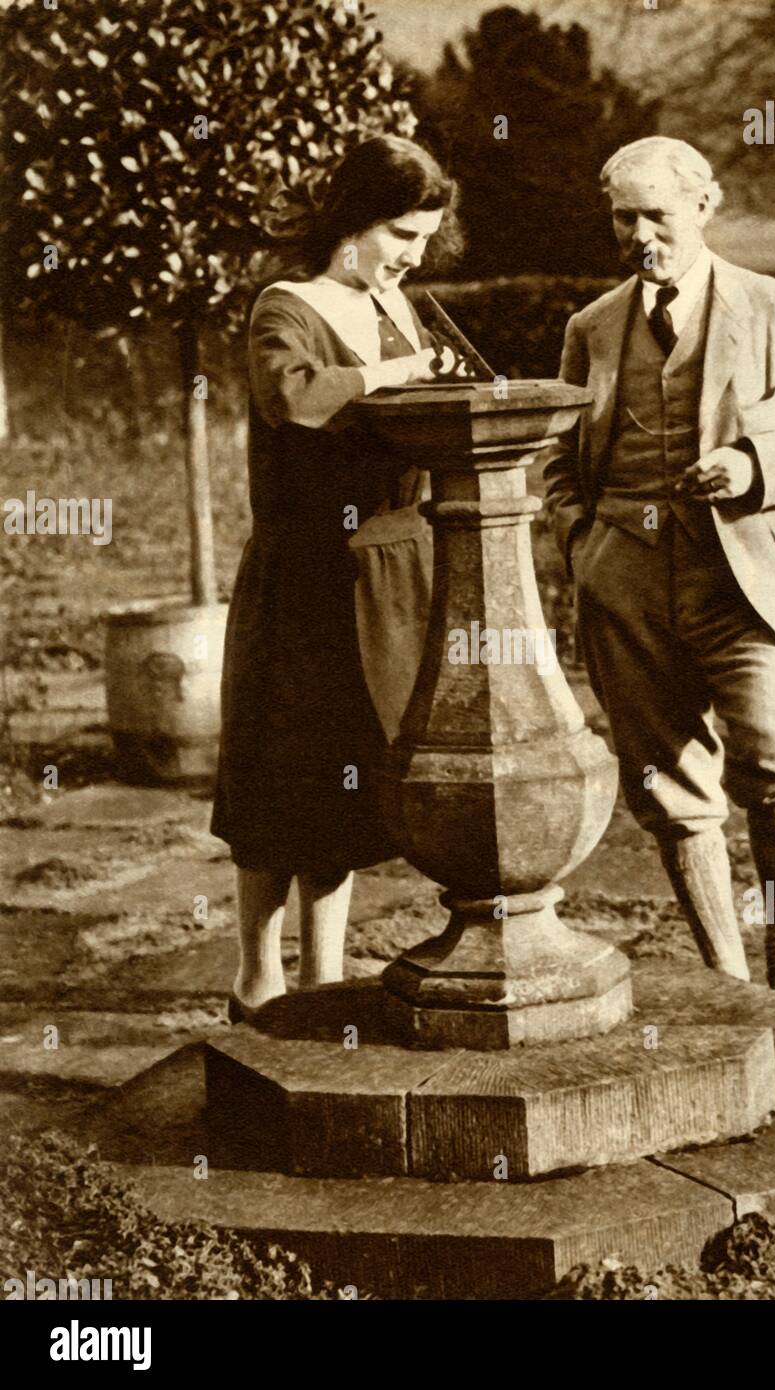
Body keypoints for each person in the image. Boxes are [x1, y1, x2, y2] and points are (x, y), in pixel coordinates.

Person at [543, 137, 775, 1018]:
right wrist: (584, 544)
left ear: (704, 205)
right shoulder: (591, 328)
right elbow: (559, 462)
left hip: (749, 587)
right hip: (627, 589)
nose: (641, 234)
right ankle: (727, 980)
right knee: (668, 789)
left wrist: (756, 467)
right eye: (624, 217)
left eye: (658, 213)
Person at [210, 136, 462, 1019]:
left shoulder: (396, 307)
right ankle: (257, 977)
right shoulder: (287, 305)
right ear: (352, 221)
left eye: (424, 238)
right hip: (309, 576)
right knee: (279, 773)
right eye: (399, 233)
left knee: (352, 774)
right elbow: (300, 399)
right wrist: (402, 370)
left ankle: (323, 975)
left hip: (392, 571)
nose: (412, 255)